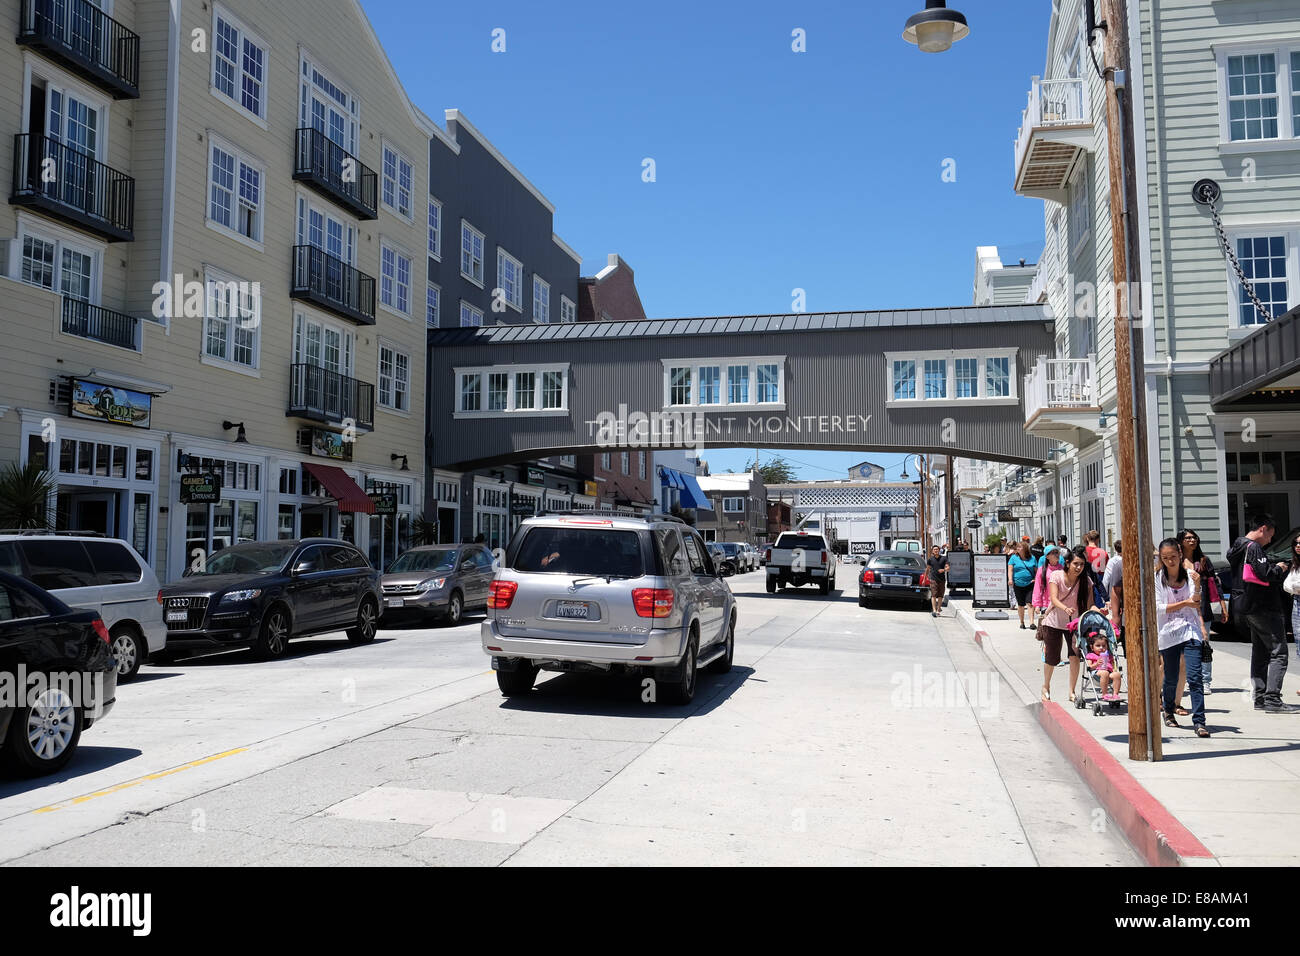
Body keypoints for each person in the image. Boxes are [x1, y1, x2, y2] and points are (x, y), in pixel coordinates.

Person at [1226, 513, 1296, 713]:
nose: (1270, 540)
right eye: (1270, 536)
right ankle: (1273, 699)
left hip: (1245, 606)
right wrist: (1280, 568)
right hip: (1263, 606)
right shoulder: (1254, 547)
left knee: (1260, 653)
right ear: (1263, 529)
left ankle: (1259, 698)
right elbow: (1264, 573)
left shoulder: (1238, 546)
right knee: (1278, 652)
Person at [1155, 538, 1210, 737]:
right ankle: (1168, 711)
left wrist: (1197, 585)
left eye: (1173, 557)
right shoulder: (1158, 578)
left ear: (1180, 555)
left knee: (1195, 677)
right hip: (1168, 633)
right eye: (1165, 558)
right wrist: (1185, 603)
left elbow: (1196, 602)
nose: (1170, 561)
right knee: (1170, 677)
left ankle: (1200, 722)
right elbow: (1158, 608)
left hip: (1190, 629)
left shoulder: (1189, 575)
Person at [1039, 550, 1095, 703]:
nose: (1079, 567)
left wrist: (1100, 610)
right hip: (1054, 621)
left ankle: (1071, 691)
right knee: (1052, 657)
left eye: (1082, 564)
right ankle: (1046, 686)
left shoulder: (1086, 581)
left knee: (1075, 655)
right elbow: (1053, 598)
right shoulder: (1056, 576)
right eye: (1076, 564)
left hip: (1074, 623)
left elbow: (1090, 605)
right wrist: (1065, 608)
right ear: (1068, 563)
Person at [1178, 529, 1225, 695]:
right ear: (1181, 541)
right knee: (1183, 648)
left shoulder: (1204, 561)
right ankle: (1188, 679)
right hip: (1181, 609)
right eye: (1188, 538)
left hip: (1202, 608)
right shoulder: (1176, 560)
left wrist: (1222, 606)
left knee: (1204, 645)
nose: (1192, 540)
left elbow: (1214, 584)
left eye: (1194, 537)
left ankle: (1205, 681)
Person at [1008, 540, 1039, 630]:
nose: (1017, 548)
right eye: (1017, 547)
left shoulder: (1032, 558)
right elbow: (1010, 570)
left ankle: (1032, 622)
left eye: (1020, 547)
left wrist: (1036, 579)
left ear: (1025, 548)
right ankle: (1022, 622)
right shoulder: (1013, 558)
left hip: (1030, 583)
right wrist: (1010, 579)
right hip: (1018, 584)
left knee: (1030, 603)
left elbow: (1037, 571)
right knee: (1021, 604)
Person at [1031, 545, 1062, 630]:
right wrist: (1037, 605)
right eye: (1054, 553)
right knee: (1047, 633)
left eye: (1057, 552)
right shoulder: (1042, 570)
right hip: (1046, 604)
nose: (1057, 554)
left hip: (1060, 604)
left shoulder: (1062, 569)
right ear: (1047, 556)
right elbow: (1038, 588)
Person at [1102, 539, 1124, 648]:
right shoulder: (1119, 562)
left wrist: (1104, 595)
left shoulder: (1113, 561)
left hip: (1114, 591)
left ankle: (1117, 635)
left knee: (1117, 614)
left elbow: (1106, 579)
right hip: (1118, 591)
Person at [1085, 632, 1118, 702]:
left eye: (1104, 646)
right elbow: (1089, 667)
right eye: (1098, 645)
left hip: (1109, 673)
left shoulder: (1109, 655)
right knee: (1104, 673)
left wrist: (1114, 669)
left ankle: (1115, 694)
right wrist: (1096, 664)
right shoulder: (1091, 655)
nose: (1101, 648)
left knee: (1117, 674)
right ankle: (1104, 694)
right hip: (1096, 674)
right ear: (1092, 647)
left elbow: (1113, 664)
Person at [927, 544, 949, 618]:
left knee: (940, 596)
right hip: (933, 579)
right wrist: (925, 579)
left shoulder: (944, 558)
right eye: (934, 549)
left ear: (939, 550)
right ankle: (934, 610)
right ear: (932, 551)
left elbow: (948, 568)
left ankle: (938, 609)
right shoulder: (930, 560)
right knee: (933, 595)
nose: (936, 550)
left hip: (942, 580)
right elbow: (927, 569)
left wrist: (943, 570)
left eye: (937, 549)